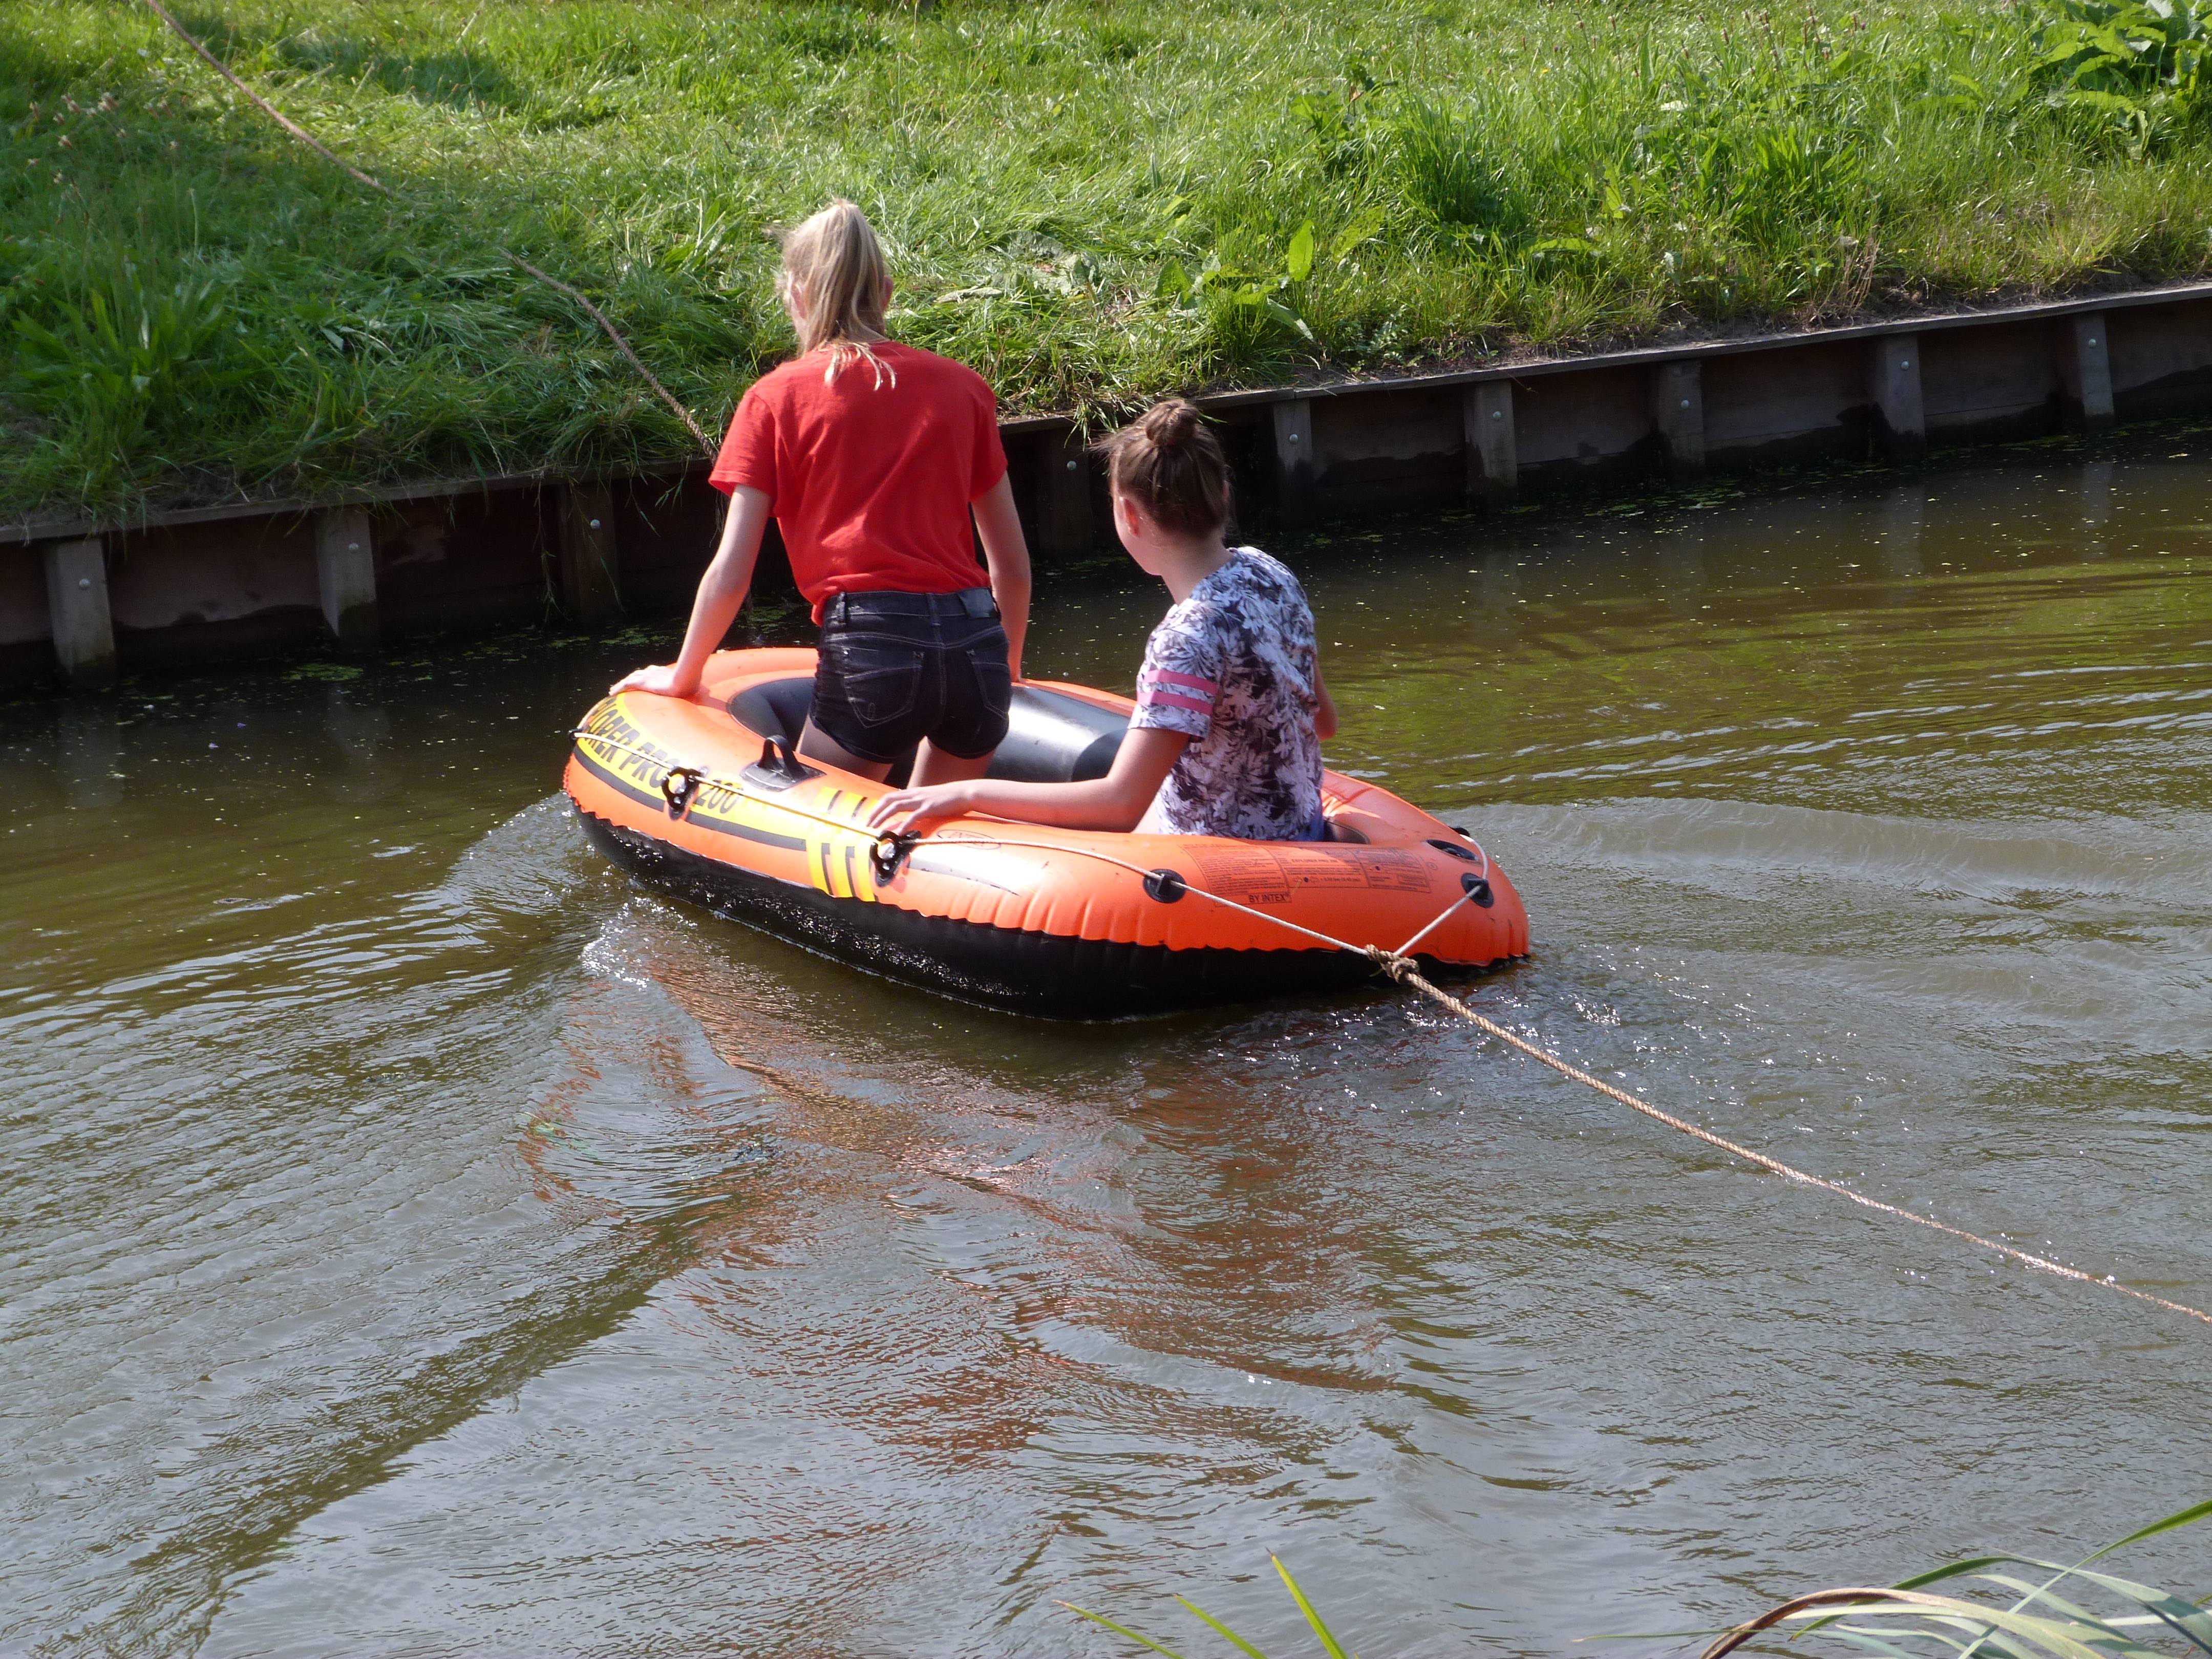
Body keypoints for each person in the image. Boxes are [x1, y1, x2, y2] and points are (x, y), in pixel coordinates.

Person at [612, 200, 1031, 786]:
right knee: (929, 828)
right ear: (886, 293)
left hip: (874, 648)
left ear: (796, 295)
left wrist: (683, 676)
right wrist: (1006, 670)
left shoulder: (773, 399)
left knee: (820, 826)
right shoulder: (965, 390)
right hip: (977, 643)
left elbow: (732, 573)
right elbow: (1011, 567)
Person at [870, 399, 1336, 841]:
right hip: (1306, 830)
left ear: (1129, 516)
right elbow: (1324, 722)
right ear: (1223, 494)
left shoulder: (1186, 638)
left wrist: (968, 793)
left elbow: (1120, 804)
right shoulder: (1270, 573)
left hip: (1217, 860)